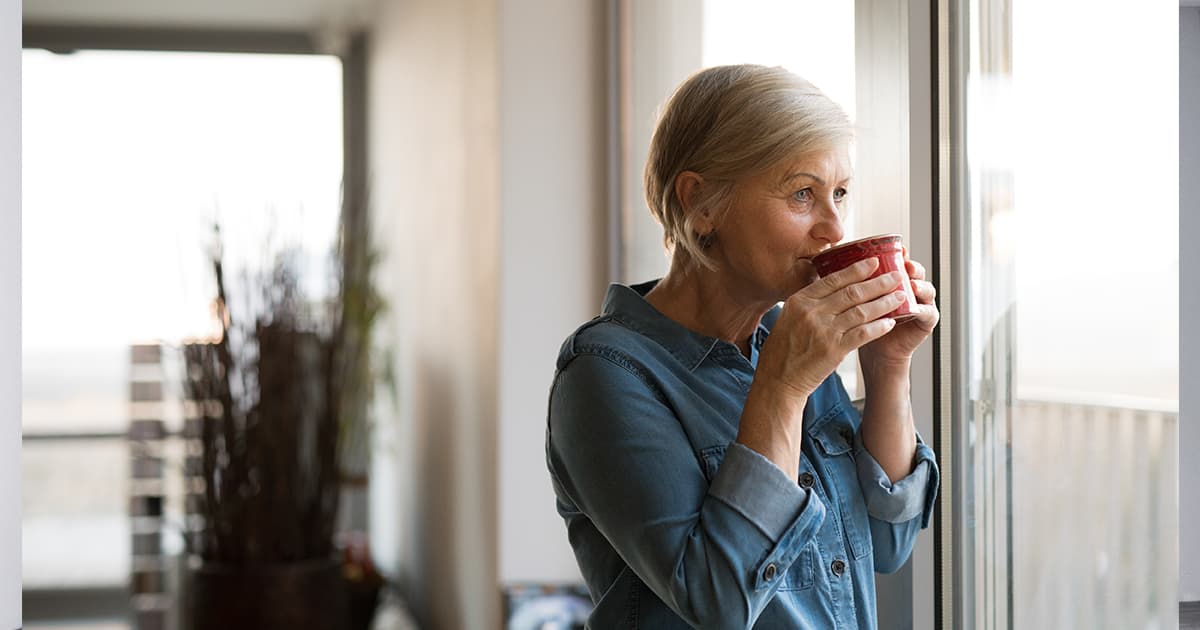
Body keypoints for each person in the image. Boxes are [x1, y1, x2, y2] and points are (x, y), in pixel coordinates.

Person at [545, 64, 940, 629]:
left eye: (840, 194)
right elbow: (719, 601)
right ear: (700, 203)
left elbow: (887, 541)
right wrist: (781, 389)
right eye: (803, 194)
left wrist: (888, 369)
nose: (833, 227)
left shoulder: (788, 342)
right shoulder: (606, 375)